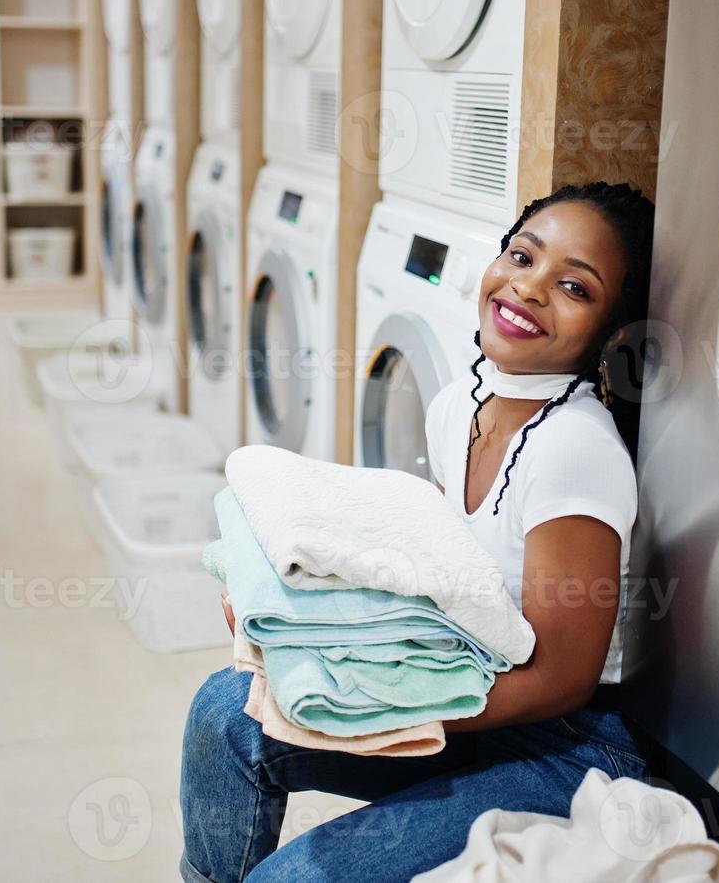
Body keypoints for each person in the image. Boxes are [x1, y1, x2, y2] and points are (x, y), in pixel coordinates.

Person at [179, 182, 655, 883]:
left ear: (612, 329)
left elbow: (562, 679)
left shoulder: (572, 452)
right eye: (522, 257)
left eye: (573, 288)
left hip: (574, 751)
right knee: (223, 713)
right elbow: (428, 565)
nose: (527, 289)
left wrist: (374, 711)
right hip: (480, 686)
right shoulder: (461, 401)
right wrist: (289, 621)